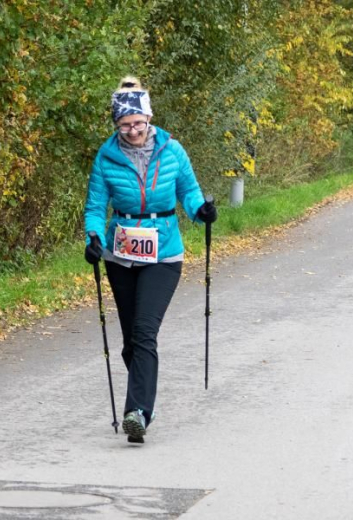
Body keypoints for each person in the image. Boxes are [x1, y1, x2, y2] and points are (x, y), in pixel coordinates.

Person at [83, 76, 217, 444]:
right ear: (116, 125)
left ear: (149, 117)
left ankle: (138, 412)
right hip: (121, 251)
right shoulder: (106, 155)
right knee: (130, 342)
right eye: (125, 125)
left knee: (145, 332)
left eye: (138, 123)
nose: (132, 131)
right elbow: (96, 205)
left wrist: (201, 211)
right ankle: (145, 402)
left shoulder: (172, 150)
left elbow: (188, 192)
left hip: (164, 252)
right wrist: (93, 238)